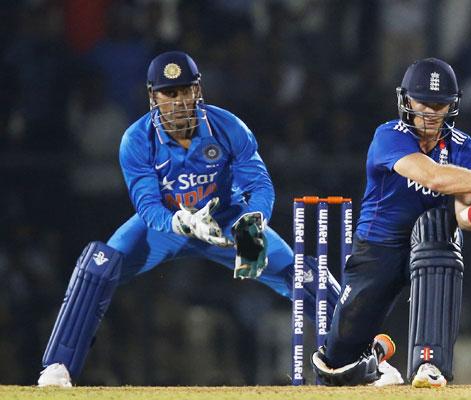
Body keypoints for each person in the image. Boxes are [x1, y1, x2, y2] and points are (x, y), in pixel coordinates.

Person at [37, 51, 347, 387]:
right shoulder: (136, 140)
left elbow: (259, 184)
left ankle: (361, 355)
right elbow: (147, 205)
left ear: (198, 91)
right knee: (98, 264)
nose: (179, 101)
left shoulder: (227, 127)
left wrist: (253, 223)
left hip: (227, 222)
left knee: (302, 272)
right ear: (152, 97)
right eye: (169, 93)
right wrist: (182, 222)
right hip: (166, 227)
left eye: (185, 90)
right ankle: (58, 366)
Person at [311, 58, 471, 387]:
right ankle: (373, 358)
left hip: (431, 245)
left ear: (452, 105)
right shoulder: (387, 136)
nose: (431, 112)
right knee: (337, 363)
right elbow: (433, 177)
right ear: (406, 100)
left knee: (436, 225)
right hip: (379, 249)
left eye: (440, 104)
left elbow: (465, 217)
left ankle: (429, 364)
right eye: (423, 102)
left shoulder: (467, 150)